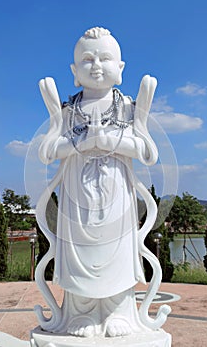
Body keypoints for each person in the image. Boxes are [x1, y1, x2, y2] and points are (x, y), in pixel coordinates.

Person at [35, 27, 169, 338]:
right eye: (87, 59)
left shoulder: (127, 107)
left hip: (116, 198)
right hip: (77, 199)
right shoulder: (69, 111)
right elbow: (46, 152)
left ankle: (117, 311)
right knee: (81, 254)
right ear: (74, 71)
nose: (96, 65)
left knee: (115, 254)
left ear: (120, 68)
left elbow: (148, 152)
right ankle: (80, 313)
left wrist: (108, 140)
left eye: (105, 58)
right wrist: (80, 144)